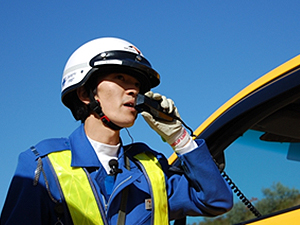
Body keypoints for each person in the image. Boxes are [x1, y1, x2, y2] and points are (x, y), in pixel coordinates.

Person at [0, 37, 233, 225]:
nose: (133, 90)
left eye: (137, 85)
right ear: (85, 94)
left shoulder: (151, 167)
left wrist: (179, 138)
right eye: (120, 78)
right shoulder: (42, 165)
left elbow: (216, 201)